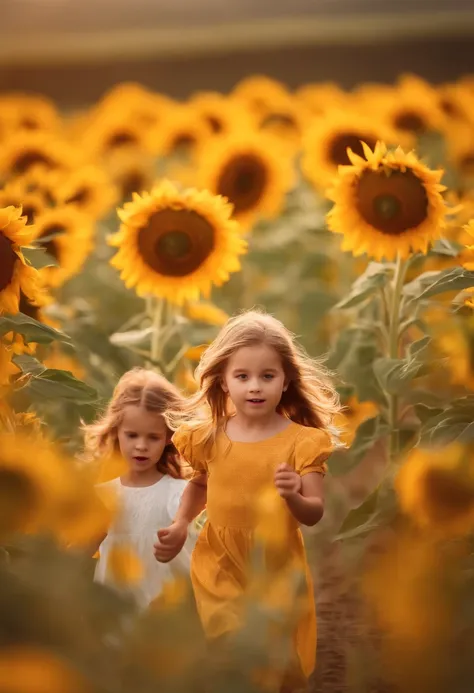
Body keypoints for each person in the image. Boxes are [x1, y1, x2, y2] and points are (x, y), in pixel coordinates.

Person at [153, 309, 341, 690]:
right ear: (223, 381)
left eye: (267, 376)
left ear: (286, 380)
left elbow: (315, 513)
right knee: (230, 640)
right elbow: (201, 486)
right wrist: (181, 524)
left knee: (275, 657)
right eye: (243, 376)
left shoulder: (301, 442)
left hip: (274, 562)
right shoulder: (210, 437)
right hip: (218, 556)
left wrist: (292, 496)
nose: (255, 386)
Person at [83, 367, 195, 608]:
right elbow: (77, 556)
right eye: (132, 435)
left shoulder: (180, 493)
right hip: (112, 615)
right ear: (116, 432)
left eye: (152, 437)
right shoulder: (103, 496)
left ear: (168, 437)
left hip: (164, 616)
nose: (141, 446)